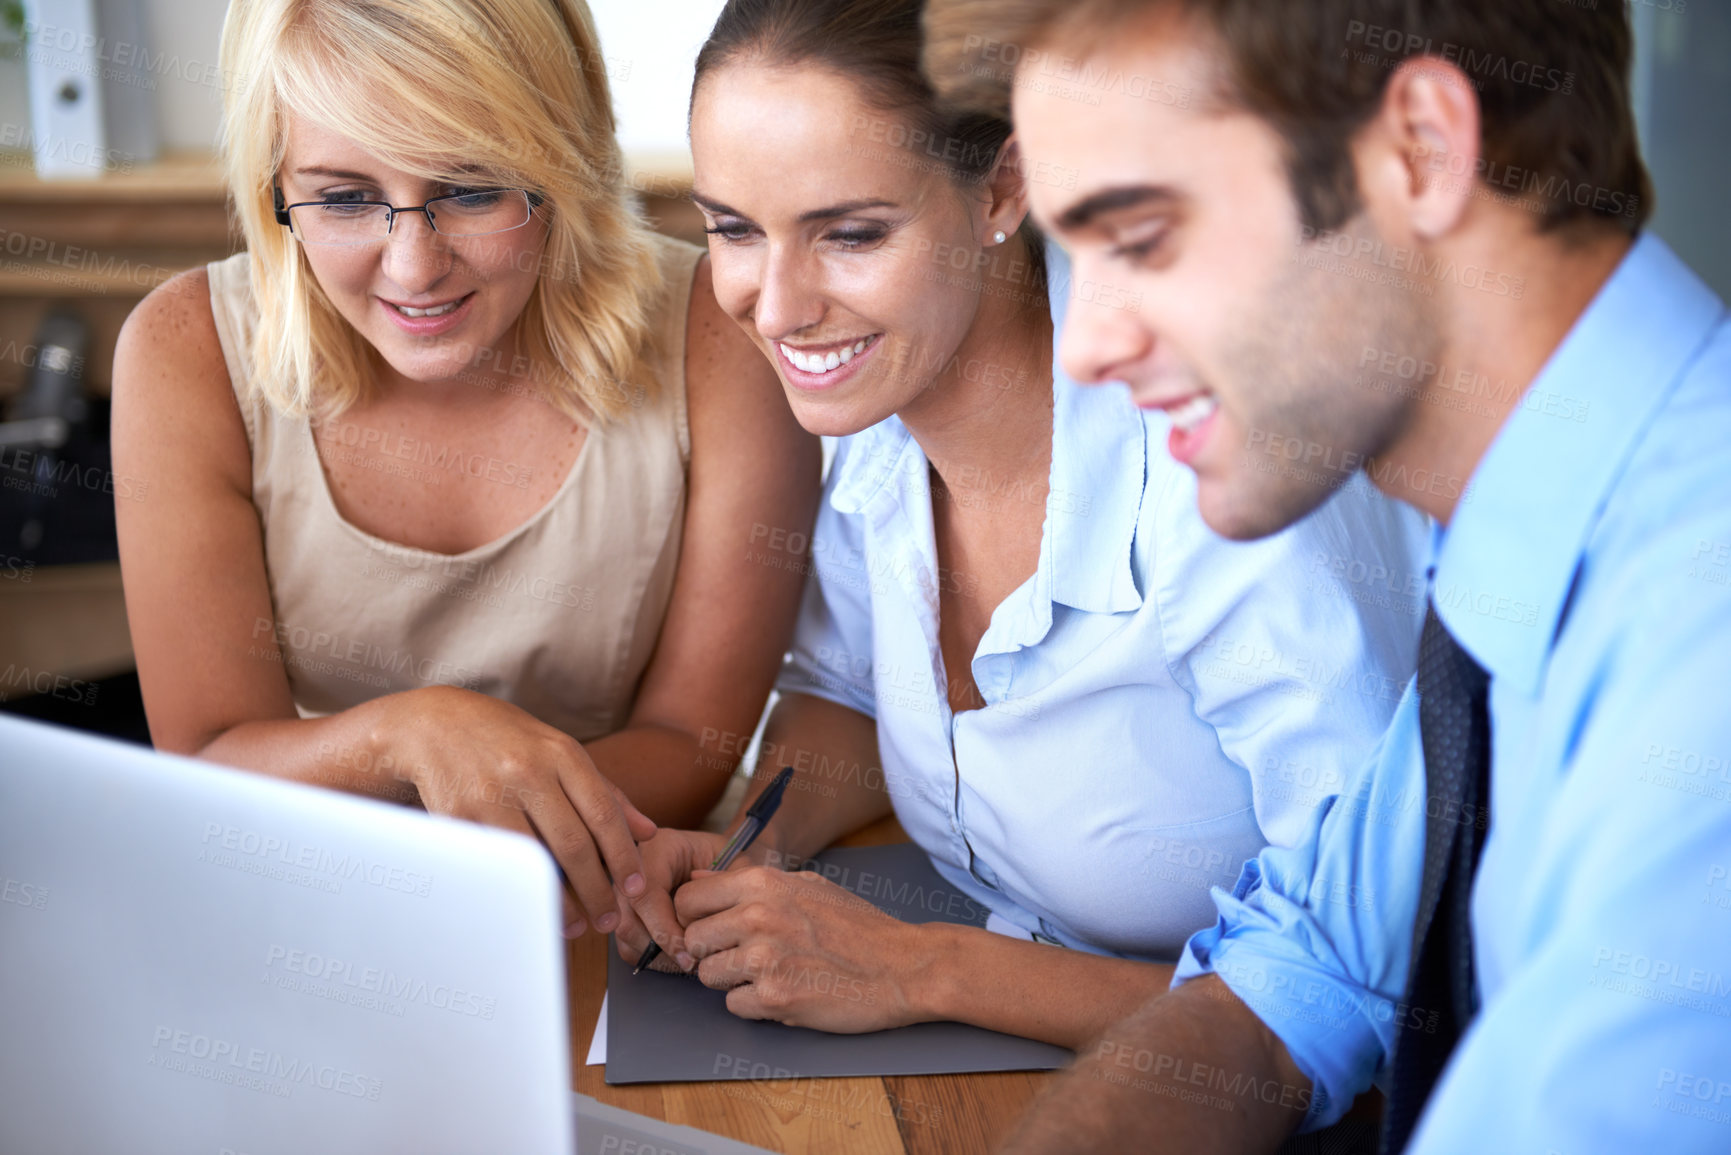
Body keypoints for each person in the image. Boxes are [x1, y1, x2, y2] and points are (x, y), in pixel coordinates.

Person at [925, 0, 1731, 1151]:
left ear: (1421, 152)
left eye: (1142, 237)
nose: (1087, 345)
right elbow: (1299, 978)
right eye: (1071, 255)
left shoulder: (1700, 646)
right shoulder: (1522, 551)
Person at [608, 0, 1428, 1056]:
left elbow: (1365, 992)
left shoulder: (1225, 479)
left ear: (1002, 187)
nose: (774, 308)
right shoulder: (877, 408)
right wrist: (742, 849)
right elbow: (848, 696)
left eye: (851, 234)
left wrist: (917, 968)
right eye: (733, 229)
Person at [109, 0, 819, 951]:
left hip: (607, 906)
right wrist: (412, 734)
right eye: (346, 197)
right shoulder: (182, 347)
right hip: (304, 901)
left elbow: (692, 748)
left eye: (474, 188)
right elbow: (204, 756)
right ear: (274, 183)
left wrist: (450, 842)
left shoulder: (716, 337)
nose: (413, 266)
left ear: (563, 161)